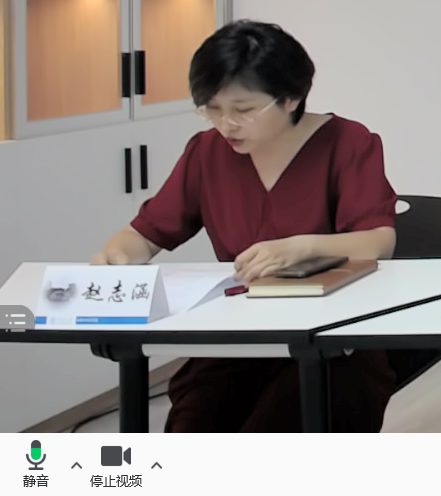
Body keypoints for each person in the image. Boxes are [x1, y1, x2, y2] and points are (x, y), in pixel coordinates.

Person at [89, 21, 399, 432]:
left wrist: (301, 247)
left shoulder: (348, 141)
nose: (226, 124)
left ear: (290, 98)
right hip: (239, 335)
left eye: (244, 110)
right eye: (212, 109)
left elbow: (379, 241)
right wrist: (116, 256)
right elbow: (144, 235)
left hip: (332, 340)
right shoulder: (206, 152)